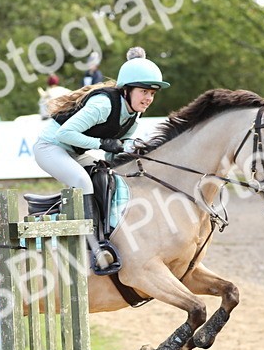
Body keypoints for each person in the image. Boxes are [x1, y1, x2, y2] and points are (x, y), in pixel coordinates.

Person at [34, 47, 168, 275]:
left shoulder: (134, 114)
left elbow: (113, 154)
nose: (148, 98)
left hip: (74, 152)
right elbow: (64, 134)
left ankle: (106, 235)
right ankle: (94, 247)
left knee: (108, 178)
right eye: (144, 92)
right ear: (127, 90)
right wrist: (102, 144)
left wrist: (126, 156)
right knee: (82, 181)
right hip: (51, 147)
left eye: (152, 94)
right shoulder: (104, 104)